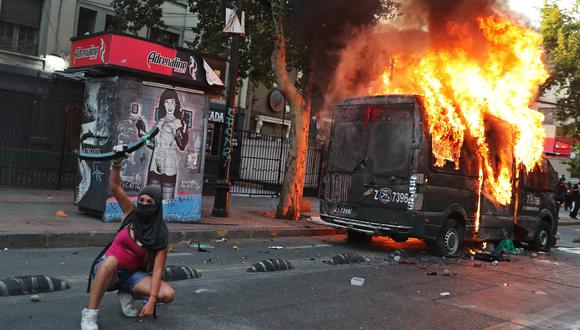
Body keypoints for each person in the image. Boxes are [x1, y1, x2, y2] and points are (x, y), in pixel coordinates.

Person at [81, 156, 174, 330]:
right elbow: (115, 186)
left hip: (131, 275)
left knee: (167, 294)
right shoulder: (131, 213)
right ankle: (89, 313)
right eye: (142, 200)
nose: (144, 205)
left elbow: (158, 269)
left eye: (149, 202)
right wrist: (116, 163)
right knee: (111, 261)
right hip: (108, 270)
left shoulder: (160, 234)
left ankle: (127, 292)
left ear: (157, 206)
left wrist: (152, 300)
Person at [136, 89, 188, 201]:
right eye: (167, 102)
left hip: (168, 158)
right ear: (163, 104)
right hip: (155, 158)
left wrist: (183, 129)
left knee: (166, 198)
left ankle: (164, 215)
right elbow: (152, 144)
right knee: (152, 195)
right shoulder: (160, 121)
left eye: (172, 102)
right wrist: (142, 131)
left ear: (176, 104)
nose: (170, 105)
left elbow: (181, 145)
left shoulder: (177, 122)